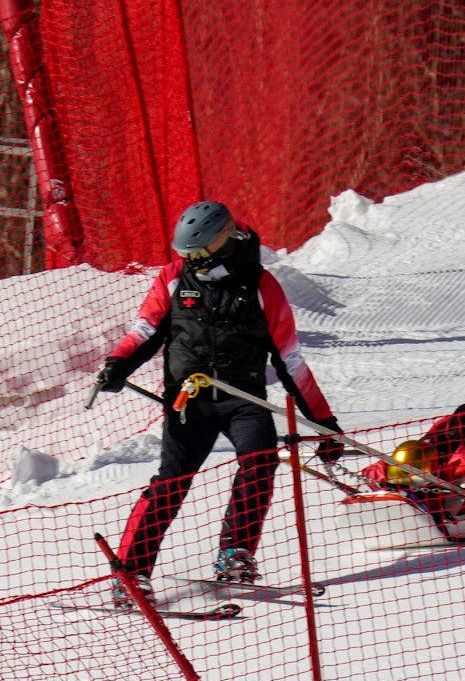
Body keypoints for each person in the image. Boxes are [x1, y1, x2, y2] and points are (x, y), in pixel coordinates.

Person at [95, 201, 345, 606]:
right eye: (185, 254)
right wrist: (117, 363)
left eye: (198, 253)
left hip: (243, 399)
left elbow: (291, 361)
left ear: (224, 240)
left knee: (260, 462)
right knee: (171, 481)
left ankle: (235, 555)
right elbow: (145, 329)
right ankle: (132, 573)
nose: (192, 261)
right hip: (188, 400)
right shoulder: (175, 278)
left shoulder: (263, 287)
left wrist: (323, 422)